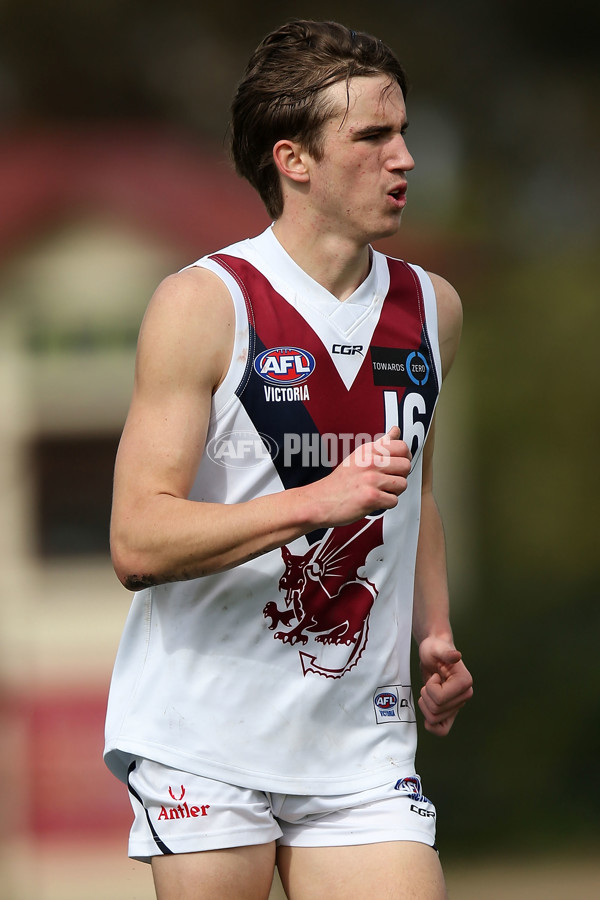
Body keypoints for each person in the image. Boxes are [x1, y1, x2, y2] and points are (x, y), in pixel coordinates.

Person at [104, 19, 473, 900]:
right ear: (294, 160)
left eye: (406, 132)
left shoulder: (435, 310)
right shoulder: (204, 303)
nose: (406, 158)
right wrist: (316, 502)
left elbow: (410, 484)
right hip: (205, 734)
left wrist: (435, 630)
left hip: (358, 742)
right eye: (374, 137)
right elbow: (137, 540)